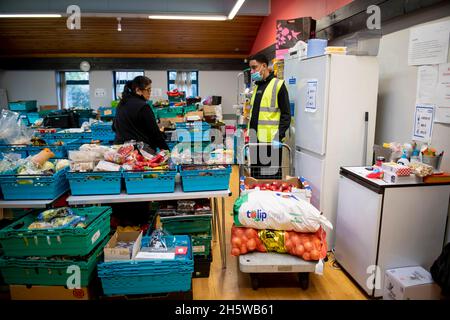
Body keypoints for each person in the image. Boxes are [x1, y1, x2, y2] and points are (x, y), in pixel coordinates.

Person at [247, 54, 291, 179]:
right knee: (255, 179)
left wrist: (279, 136)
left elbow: (286, 115)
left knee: (271, 180)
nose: (252, 71)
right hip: (255, 142)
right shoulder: (257, 87)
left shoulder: (278, 85)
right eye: (251, 68)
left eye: (254, 67)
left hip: (272, 143)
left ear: (264, 66)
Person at [113, 75, 168, 151]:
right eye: (148, 90)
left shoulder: (121, 104)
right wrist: (166, 151)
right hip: (139, 152)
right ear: (138, 90)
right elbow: (154, 133)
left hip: (120, 151)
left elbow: (114, 127)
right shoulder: (143, 106)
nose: (150, 93)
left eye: (150, 90)